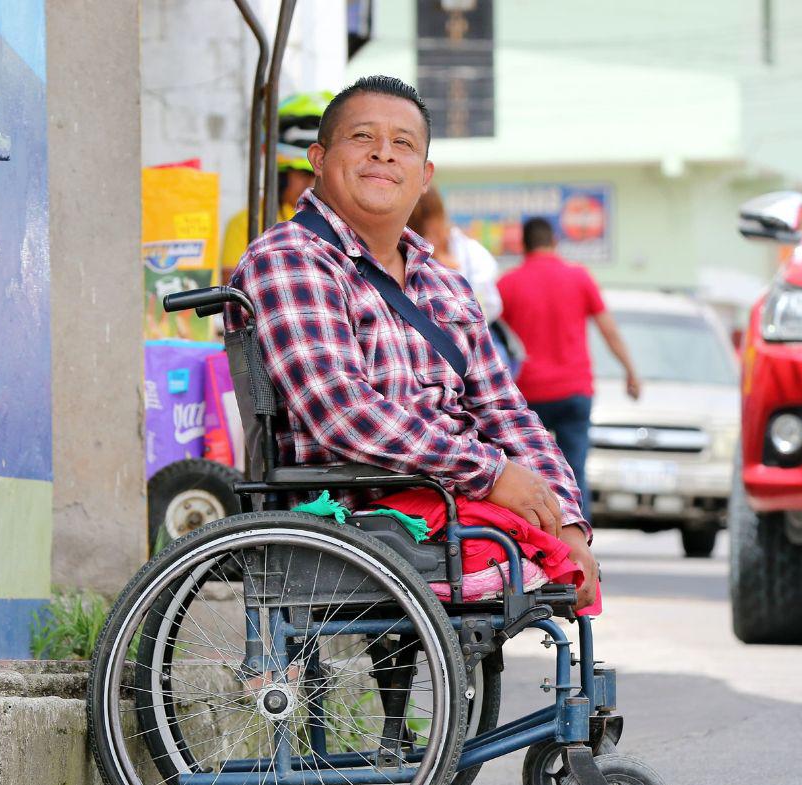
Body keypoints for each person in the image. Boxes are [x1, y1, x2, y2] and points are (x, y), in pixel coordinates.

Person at [227, 75, 599, 611]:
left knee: (562, 563)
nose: (383, 153)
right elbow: (341, 411)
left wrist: (564, 518)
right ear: (318, 157)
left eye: (403, 143)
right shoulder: (289, 258)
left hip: (453, 503)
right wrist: (491, 474)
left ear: (424, 176)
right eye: (362, 137)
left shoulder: (445, 284)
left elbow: (506, 412)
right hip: (352, 512)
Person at [497, 216, 641, 522]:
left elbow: (492, 341)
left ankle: (535, 540)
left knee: (525, 471)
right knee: (575, 470)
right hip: (574, 391)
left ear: (523, 246)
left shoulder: (507, 284)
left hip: (528, 395)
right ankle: (580, 542)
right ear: (555, 242)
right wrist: (630, 371)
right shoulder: (579, 277)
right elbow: (609, 330)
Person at [407, 189, 526, 376]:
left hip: (470, 347)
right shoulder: (406, 256)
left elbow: (490, 306)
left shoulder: (468, 253)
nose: (430, 235)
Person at [220, 91, 333, 283]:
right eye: (303, 174)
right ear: (280, 175)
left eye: (318, 177)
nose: (310, 185)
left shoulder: (343, 224)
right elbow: (233, 293)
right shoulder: (246, 223)